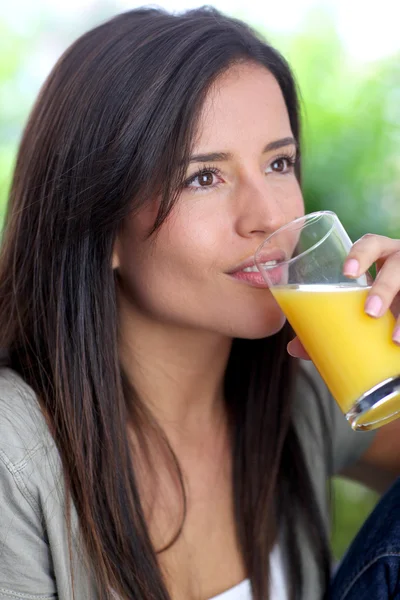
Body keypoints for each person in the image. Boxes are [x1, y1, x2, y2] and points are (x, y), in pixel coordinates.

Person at [0, 6, 400, 600]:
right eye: (203, 178)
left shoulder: (304, 394)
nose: (269, 216)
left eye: (278, 162)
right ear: (102, 225)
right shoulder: (15, 454)